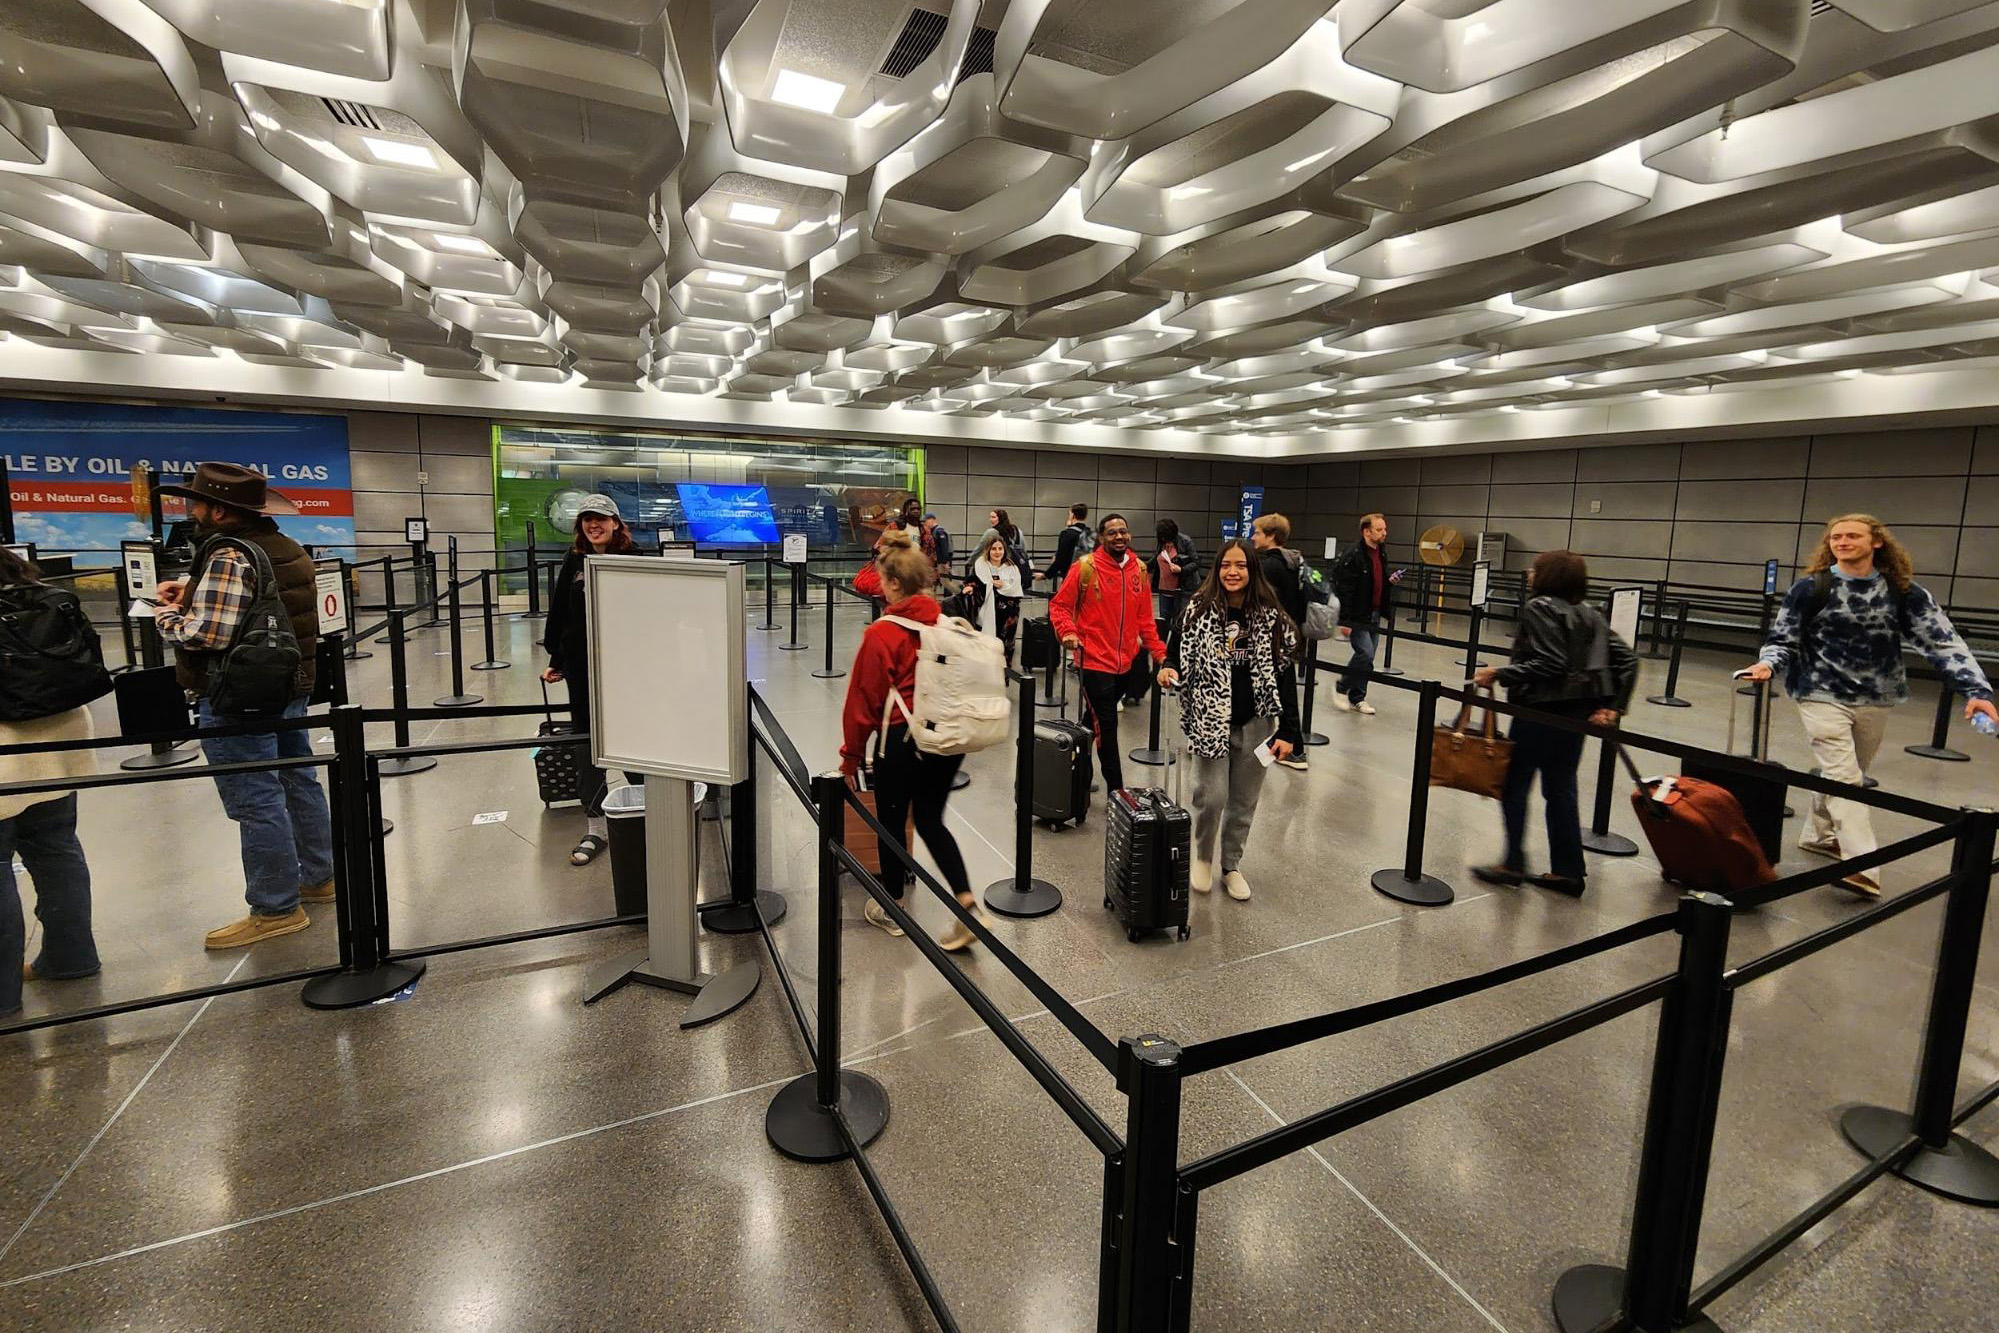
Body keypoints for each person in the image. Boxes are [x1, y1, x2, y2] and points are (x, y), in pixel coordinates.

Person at [1743, 513, 1996, 898]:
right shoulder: (1812, 588)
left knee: (1849, 770)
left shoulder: (1903, 592)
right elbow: (1783, 637)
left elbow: (1942, 642)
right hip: (1819, 692)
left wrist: (1977, 690)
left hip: (1875, 697)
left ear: (1876, 541)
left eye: (1852, 536)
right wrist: (1767, 664)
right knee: (1846, 777)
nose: (1842, 542)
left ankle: (1818, 834)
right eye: (1836, 537)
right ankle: (1863, 865)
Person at [153, 462, 332, 949]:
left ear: (219, 511)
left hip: (239, 695)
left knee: (255, 799)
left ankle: (274, 908)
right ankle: (319, 876)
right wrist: (191, 591)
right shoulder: (285, 547)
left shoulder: (229, 554)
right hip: (288, 684)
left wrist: (168, 615)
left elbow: (206, 633)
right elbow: (260, 601)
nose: (191, 510)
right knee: (298, 779)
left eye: (197, 502)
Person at [839, 530, 993, 951]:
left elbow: (862, 706)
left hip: (903, 741)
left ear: (890, 584)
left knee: (891, 821)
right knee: (928, 818)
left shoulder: (882, 634)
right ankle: (966, 903)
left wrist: (850, 759)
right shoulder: (945, 622)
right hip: (948, 738)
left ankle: (891, 905)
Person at [1470, 550, 1638, 897]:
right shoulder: (1589, 613)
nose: (1530, 573)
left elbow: (1552, 663)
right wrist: (1613, 706)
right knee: (1561, 789)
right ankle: (1568, 871)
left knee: (1514, 785)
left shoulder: (1539, 607)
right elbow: (1628, 660)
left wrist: (1499, 673)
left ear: (1550, 576)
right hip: (1576, 716)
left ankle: (1513, 863)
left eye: (1536, 568)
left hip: (1540, 712)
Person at [1158, 541, 1301, 902]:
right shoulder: (1197, 609)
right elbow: (1175, 650)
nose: (1232, 572)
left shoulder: (1271, 617)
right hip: (1209, 719)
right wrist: (1168, 666)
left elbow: (1285, 675)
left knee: (1243, 801)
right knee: (1212, 796)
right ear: (1217, 569)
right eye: (1225, 565)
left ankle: (1231, 865)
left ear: (1252, 571)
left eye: (1240, 565)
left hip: (1257, 723)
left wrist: (1289, 731)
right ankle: (1203, 856)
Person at [0, 547, 100, 1015]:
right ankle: (70, 956)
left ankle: (2, 994)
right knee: (57, 848)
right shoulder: (47, 597)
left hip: (6, 752)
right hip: (60, 742)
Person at [542, 495, 637, 866]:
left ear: (616, 522)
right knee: (587, 743)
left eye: (600, 519)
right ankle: (595, 827)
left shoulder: (632, 559)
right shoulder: (576, 558)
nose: (593, 525)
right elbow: (563, 612)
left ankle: (648, 814)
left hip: (624, 668)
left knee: (632, 742)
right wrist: (558, 660)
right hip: (582, 669)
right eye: (586, 520)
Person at [1049, 513, 1167, 794]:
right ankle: (1118, 791)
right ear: (1101, 538)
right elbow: (1059, 606)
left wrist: (1160, 654)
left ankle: (1074, 767)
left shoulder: (1138, 569)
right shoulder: (1085, 568)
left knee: (1093, 724)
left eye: (1123, 531)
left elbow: (1145, 620)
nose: (1119, 537)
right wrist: (1068, 632)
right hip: (1093, 662)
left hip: (1126, 663)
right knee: (1108, 727)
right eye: (1112, 532)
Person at [1249, 514, 1312, 771]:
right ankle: (1290, 745)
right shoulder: (1295, 562)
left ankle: (1295, 749)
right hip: (1293, 636)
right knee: (1285, 689)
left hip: (1273, 640)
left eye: (1258, 532)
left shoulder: (1268, 568)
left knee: (1283, 693)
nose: (1253, 537)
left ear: (1271, 535)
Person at [1330, 513, 1396, 716]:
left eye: (1384, 529)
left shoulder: (1381, 551)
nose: (1384, 533)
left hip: (1374, 613)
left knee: (1369, 658)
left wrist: (1389, 581)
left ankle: (1358, 696)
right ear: (1366, 531)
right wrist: (1346, 620)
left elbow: (1377, 578)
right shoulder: (1353, 554)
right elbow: (1345, 589)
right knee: (1365, 653)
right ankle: (1341, 686)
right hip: (1358, 615)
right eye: (1379, 529)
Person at [967, 534, 1024, 666]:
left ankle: (1004, 676)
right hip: (988, 611)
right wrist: (970, 588)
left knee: (1005, 646)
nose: (997, 552)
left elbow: (1015, 588)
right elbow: (971, 582)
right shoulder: (981, 566)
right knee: (987, 643)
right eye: (994, 549)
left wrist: (1003, 585)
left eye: (1000, 548)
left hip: (1009, 614)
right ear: (988, 550)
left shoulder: (1012, 568)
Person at [1153, 519, 1199, 628]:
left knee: (1180, 620)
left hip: (1183, 588)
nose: (1165, 540)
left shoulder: (1185, 541)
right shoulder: (1162, 543)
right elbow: (1157, 558)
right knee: (1164, 619)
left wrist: (1181, 570)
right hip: (1164, 588)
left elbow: (1196, 562)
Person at [1038, 502, 1092, 587]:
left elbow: (1060, 558)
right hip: (1088, 577)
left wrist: (1046, 575)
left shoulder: (1067, 533)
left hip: (1070, 577)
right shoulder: (1090, 534)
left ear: (1072, 515)